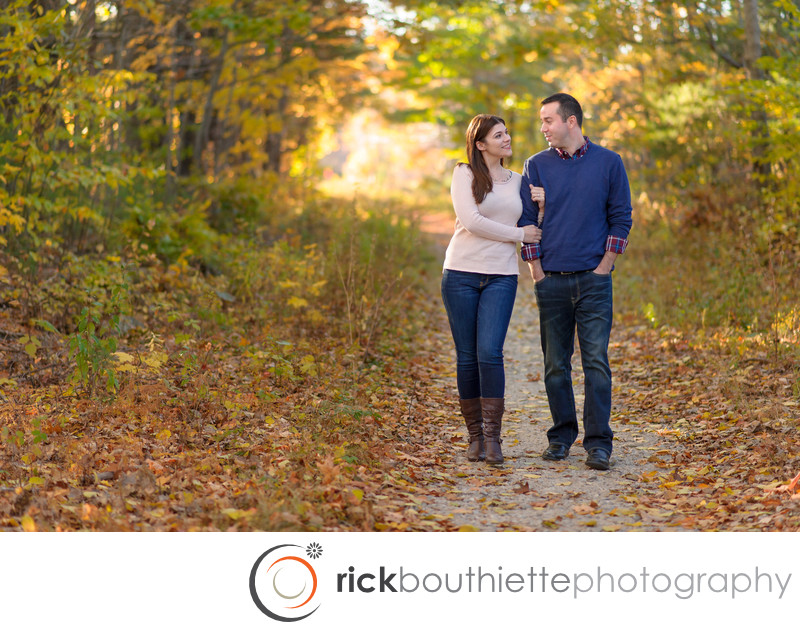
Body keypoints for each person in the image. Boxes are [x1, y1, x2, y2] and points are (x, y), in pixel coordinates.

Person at [518, 93, 633, 471]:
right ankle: (561, 437)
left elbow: (621, 218)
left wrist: (605, 266)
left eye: (548, 120)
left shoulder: (609, 163)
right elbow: (526, 224)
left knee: (596, 363)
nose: (543, 128)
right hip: (551, 281)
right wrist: (536, 272)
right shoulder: (535, 165)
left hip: (594, 281)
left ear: (571, 121)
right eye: (541, 121)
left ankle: (599, 444)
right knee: (555, 364)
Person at [442, 114, 543, 465]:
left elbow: (533, 225)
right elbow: (471, 221)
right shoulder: (464, 174)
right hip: (460, 273)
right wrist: (518, 236)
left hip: (501, 275)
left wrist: (541, 206)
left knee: (490, 353)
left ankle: (493, 438)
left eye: (506, 132)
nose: (507, 138)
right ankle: (474, 437)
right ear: (480, 144)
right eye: (498, 135)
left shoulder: (518, 180)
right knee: (467, 355)